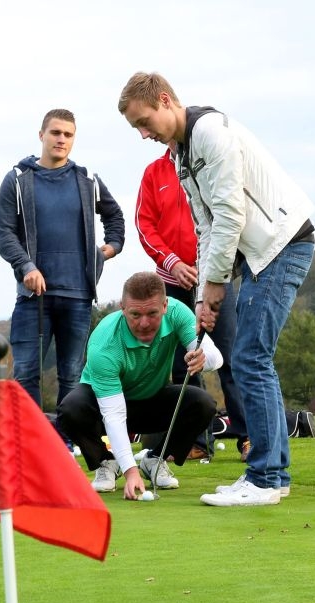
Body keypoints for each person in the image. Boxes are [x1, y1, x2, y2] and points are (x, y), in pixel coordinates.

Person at [118, 72, 315, 507]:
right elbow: (205, 228)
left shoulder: (209, 132)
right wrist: (206, 298)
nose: (143, 134)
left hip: (282, 245)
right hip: (260, 255)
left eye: (144, 122)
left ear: (165, 101)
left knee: (249, 357)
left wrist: (215, 284)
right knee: (252, 357)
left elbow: (230, 214)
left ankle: (263, 478)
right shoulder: (180, 152)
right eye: (136, 128)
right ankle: (274, 474)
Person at [0, 109, 125, 412]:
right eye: (55, 133)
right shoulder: (17, 180)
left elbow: (114, 216)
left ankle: (67, 445)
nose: (61, 139)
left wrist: (110, 248)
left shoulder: (87, 179)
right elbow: (4, 234)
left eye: (68, 134)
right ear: (42, 135)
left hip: (78, 296)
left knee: (72, 376)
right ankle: (29, 445)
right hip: (32, 298)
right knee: (26, 373)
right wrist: (26, 266)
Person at [56, 272, 220, 500]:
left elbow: (216, 357)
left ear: (164, 306)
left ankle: (155, 460)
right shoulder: (104, 343)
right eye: (135, 314)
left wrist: (204, 359)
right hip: (101, 407)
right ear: (123, 308)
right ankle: (106, 462)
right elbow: (113, 414)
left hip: (151, 400)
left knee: (202, 403)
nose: (144, 323)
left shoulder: (178, 313)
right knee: (71, 408)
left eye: (152, 313)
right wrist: (130, 471)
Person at [135, 146, 249, 461]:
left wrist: (212, 267)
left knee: (230, 358)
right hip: (172, 283)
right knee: (183, 364)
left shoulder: (208, 163)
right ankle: (196, 441)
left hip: (214, 278)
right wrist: (171, 262)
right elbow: (145, 227)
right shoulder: (154, 172)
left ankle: (248, 438)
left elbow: (229, 215)